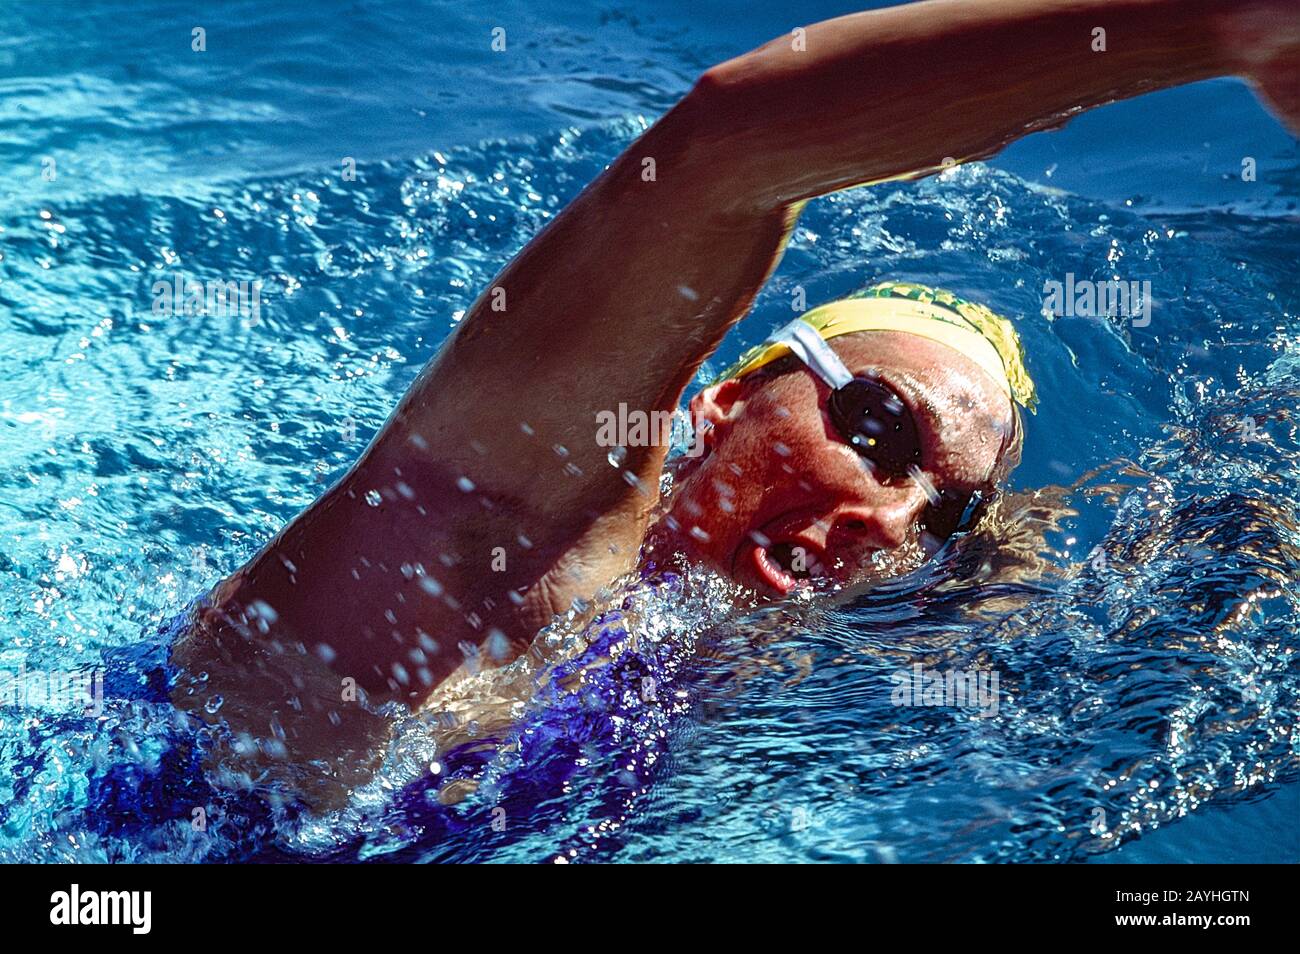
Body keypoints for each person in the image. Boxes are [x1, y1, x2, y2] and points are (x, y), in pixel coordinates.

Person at [168, 0, 1299, 802]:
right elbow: (728, 145)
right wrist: (1217, 26)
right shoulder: (490, 541)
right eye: (876, 430)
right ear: (720, 403)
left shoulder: (755, 695)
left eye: (940, 519)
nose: (890, 522)